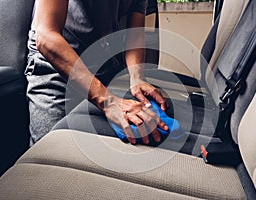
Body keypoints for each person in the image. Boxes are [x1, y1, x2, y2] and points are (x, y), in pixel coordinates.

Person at [25, 0, 168, 146]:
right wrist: (109, 102)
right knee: (51, 153)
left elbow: (135, 35)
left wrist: (137, 77)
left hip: (104, 68)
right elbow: (46, 36)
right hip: (55, 69)